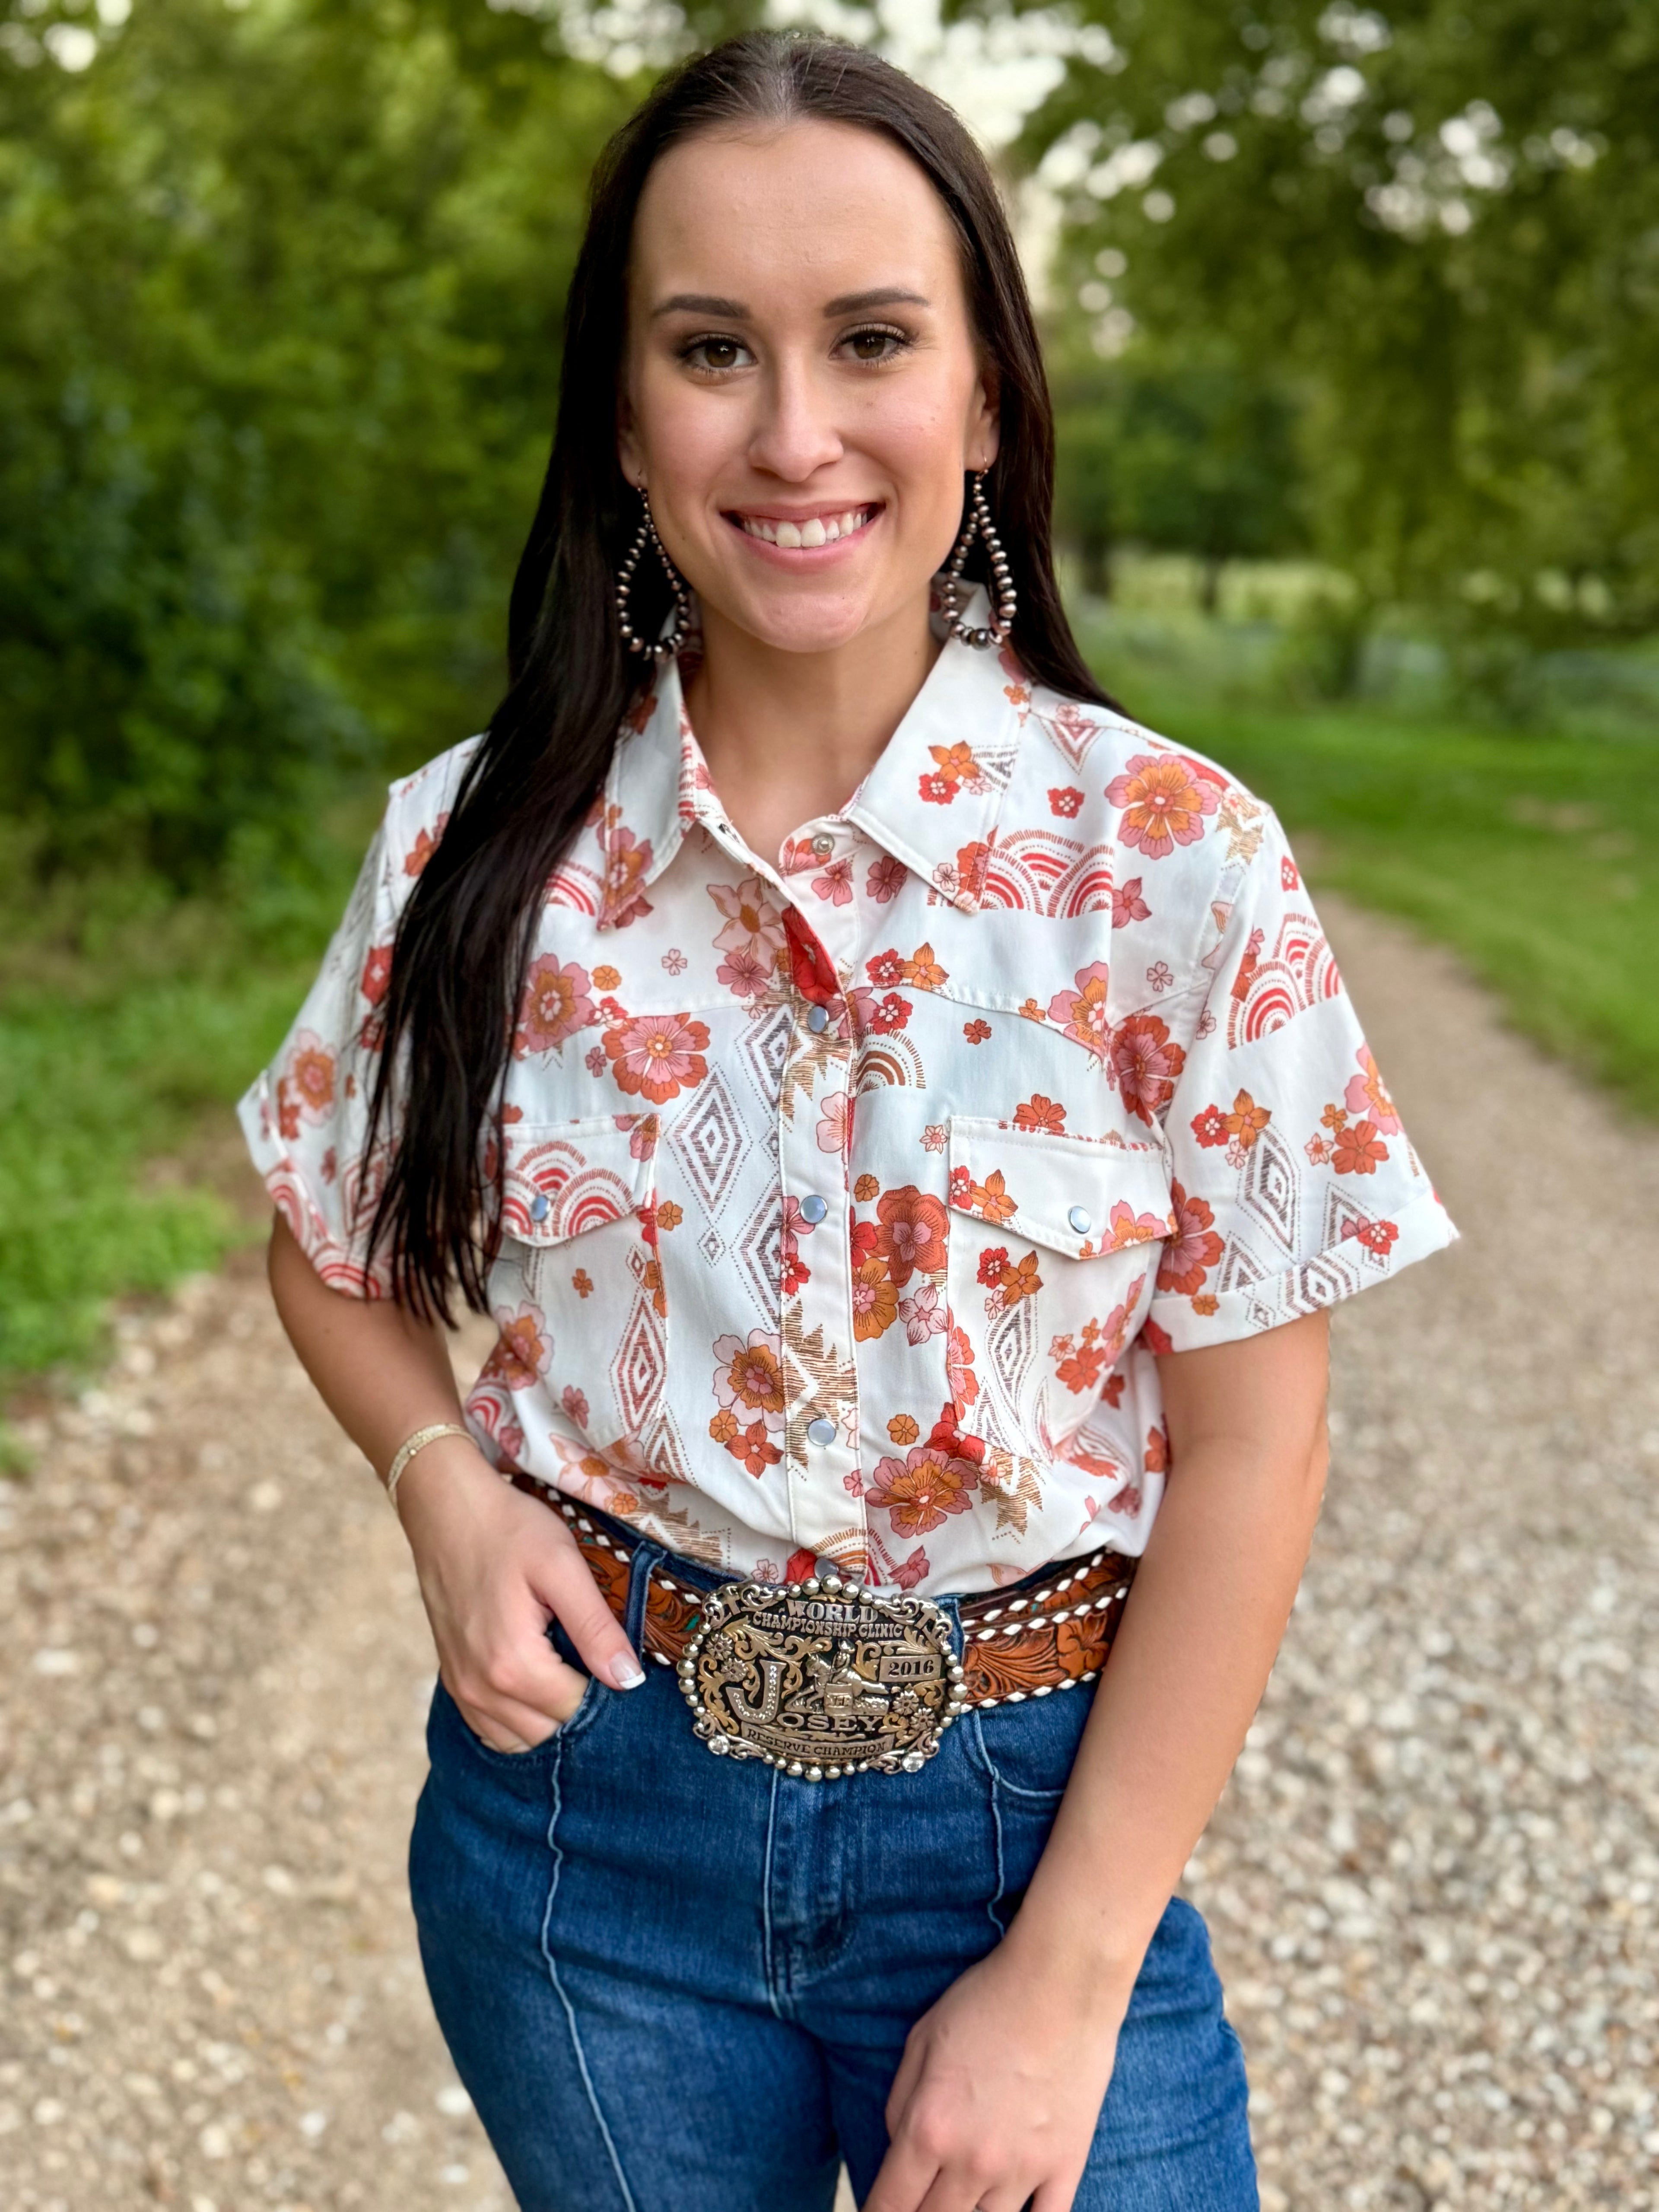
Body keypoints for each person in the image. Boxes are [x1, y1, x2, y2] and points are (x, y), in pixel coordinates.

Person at [240, 31, 1456, 2212]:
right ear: (626, 417)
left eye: (871, 340)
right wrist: (440, 1480)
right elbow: (324, 1240)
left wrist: (1069, 1976)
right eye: (713, 348)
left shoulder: (1174, 866)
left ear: (985, 390)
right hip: (582, 1848)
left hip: (1017, 1839)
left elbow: (1260, 1442)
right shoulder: (471, 851)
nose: (794, 433)